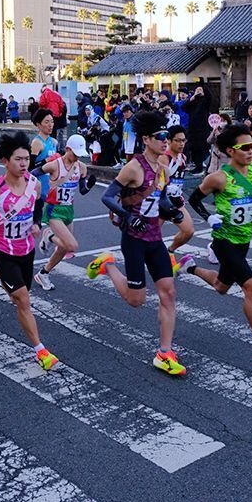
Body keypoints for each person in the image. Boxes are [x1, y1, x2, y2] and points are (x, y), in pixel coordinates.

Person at [89, 110, 187, 376]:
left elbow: (160, 199)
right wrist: (127, 218)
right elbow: (108, 197)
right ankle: (108, 264)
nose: (165, 141)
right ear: (146, 139)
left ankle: (164, 353)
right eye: (160, 137)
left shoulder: (163, 167)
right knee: (136, 301)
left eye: (167, 135)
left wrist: (173, 211)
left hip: (155, 238)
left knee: (169, 293)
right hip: (133, 239)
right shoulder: (133, 166)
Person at [185, 124, 252, 366]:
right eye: (244, 148)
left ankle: (189, 267)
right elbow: (194, 198)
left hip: (244, 240)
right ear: (231, 151)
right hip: (224, 241)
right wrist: (208, 217)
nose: (250, 151)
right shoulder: (218, 178)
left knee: (222, 286)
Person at [0, 131, 59, 371]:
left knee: (20, 297)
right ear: (5, 161)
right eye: (18, 159)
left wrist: (37, 223)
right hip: (4, 251)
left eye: (26, 159)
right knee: (23, 300)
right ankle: (41, 350)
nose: (23, 164)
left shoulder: (35, 184)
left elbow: (38, 205)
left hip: (26, 250)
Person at [33, 134, 96, 290]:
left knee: (62, 249)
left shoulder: (81, 167)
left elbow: (82, 190)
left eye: (79, 155)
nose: (76, 157)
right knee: (71, 246)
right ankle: (48, 235)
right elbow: (33, 173)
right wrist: (34, 191)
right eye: (75, 154)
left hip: (69, 210)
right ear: (67, 149)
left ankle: (43, 273)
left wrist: (89, 186)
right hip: (54, 209)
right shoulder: (55, 165)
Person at [160, 125, 194, 255]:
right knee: (150, 236)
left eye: (183, 140)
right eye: (177, 140)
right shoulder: (163, 158)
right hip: (161, 201)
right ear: (169, 141)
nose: (181, 144)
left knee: (188, 231)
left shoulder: (183, 158)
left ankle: (170, 250)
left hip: (176, 199)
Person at [30, 108, 58, 199]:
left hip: (50, 185)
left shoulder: (54, 142)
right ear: (38, 124)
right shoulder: (37, 143)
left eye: (52, 122)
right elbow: (30, 167)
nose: (50, 125)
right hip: (38, 185)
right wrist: (47, 160)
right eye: (46, 122)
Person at [184, 86, 211, 173]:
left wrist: (203, 86)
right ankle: (197, 166)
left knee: (200, 148)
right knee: (193, 148)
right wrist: (192, 97)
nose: (198, 91)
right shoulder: (193, 100)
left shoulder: (205, 101)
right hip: (192, 128)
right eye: (197, 90)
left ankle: (200, 167)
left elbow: (210, 97)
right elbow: (184, 108)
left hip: (202, 129)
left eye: (200, 90)